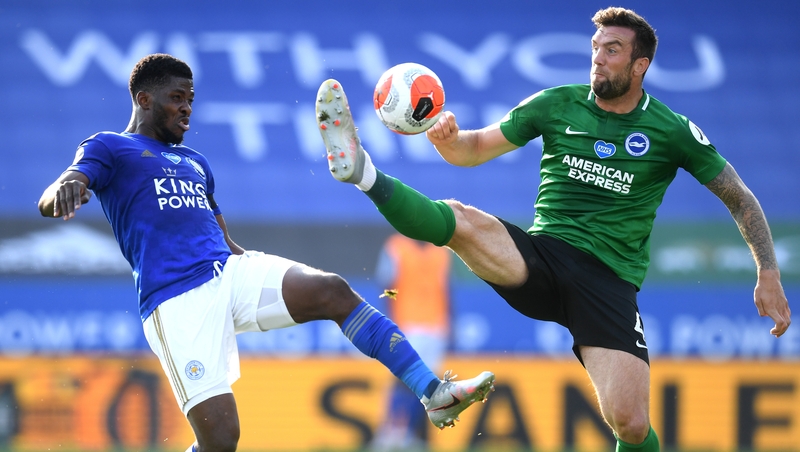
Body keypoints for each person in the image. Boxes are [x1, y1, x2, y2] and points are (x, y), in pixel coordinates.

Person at [315, 7, 792, 452]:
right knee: (460, 219)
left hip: (609, 283)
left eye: (612, 51)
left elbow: (738, 196)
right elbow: (473, 149)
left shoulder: (671, 131)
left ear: (640, 65)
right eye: (596, 48)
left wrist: (767, 271)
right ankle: (362, 172)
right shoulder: (556, 104)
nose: (598, 60)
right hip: (541, 258)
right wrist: (448, 139)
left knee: (628, 421)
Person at [37, 53, 495, 452]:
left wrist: (257, 265)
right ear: (144, 100)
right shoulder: (111, 147)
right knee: (222, 440)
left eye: (191, 100)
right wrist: (64, 191)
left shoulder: (196, 162)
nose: (187, 109)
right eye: (178, 98)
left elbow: (220, 235)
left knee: (332, 291)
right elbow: (70, 180)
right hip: (176, 300)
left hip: (229, 270)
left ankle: (433, 393)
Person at [371, 234, 452, 451]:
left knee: (427, 384)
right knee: (403, 379)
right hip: (407, 323)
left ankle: (409, 434)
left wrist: (450, 322)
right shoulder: (396, 247)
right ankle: (391, 431)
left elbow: (444, 288)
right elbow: (386, 286)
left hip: (436, 325)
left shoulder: (440, 251)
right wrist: (391, 319)